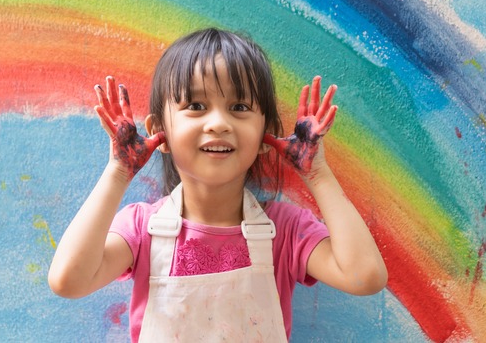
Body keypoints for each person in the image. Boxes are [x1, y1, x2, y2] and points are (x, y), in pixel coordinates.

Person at [48, 28, 387, 342]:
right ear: (158, 132)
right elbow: (69, 281)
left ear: (265, 133)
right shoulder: (141, 228)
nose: (219, 123)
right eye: (196, 106)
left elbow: (365, 276)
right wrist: (119, 171)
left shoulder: (283, 230)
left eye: (239, 107)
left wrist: (319, 174)